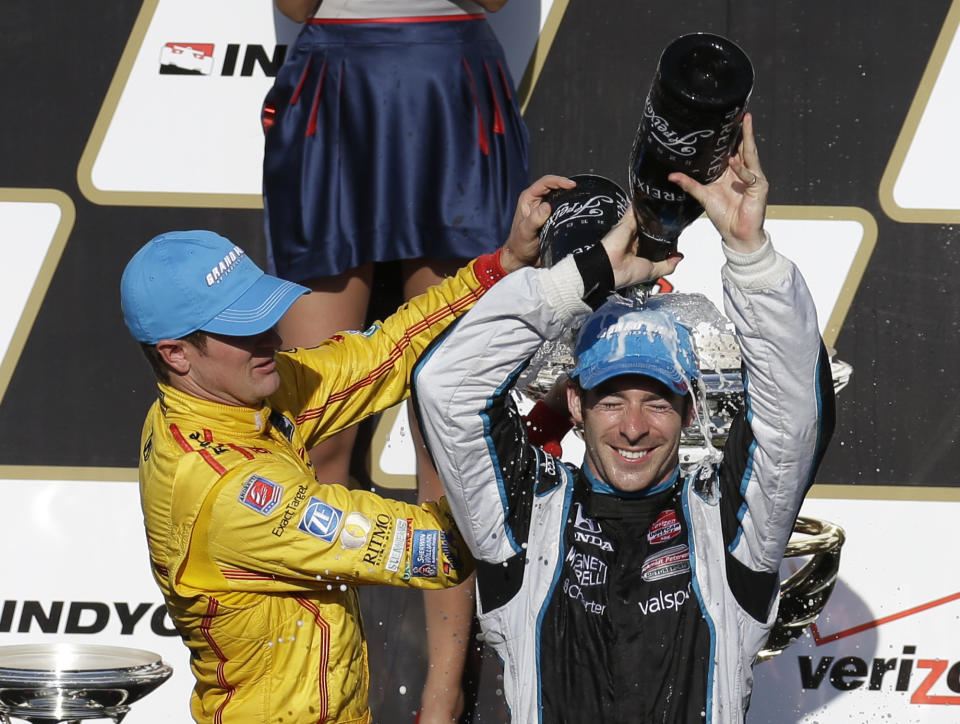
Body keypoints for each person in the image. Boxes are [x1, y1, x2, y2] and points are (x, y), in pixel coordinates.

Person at [413, 115, 837, 723]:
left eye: (657, 401)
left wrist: (750, 254)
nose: (633, 426)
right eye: (612, 400)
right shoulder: (526, 518)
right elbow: (445, 388)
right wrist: (582, 279)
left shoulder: (729, 527)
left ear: (689, 410)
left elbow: (794, 416)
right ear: (578, 406)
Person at [118, 176, 567, 723]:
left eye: (264, 311)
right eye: (242, 328)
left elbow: (387, 353)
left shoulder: (230, 398)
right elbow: (436, 548)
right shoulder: (229, 494)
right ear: (176, 354)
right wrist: (541, 431)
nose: (271, 337)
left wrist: (502, 265)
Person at [262, 4, 530, 717]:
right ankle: (311, 678)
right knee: (317, 426)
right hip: (334, 89)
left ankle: (445, 690)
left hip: (449, 86)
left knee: (445, 416)